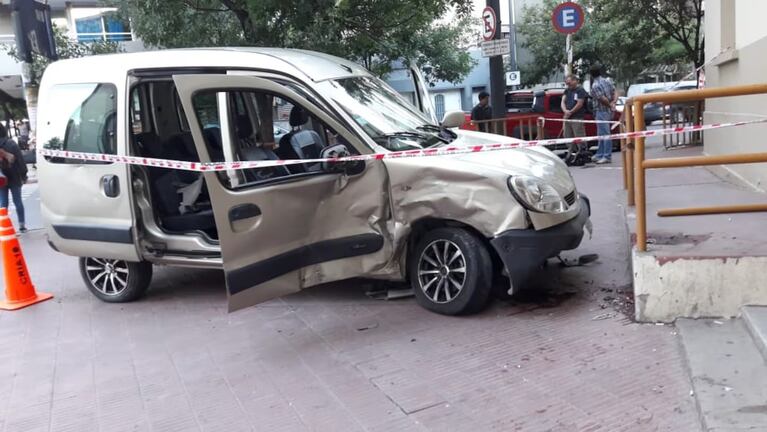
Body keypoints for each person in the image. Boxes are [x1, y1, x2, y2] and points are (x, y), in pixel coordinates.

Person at [0, 124, 28, 233]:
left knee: (3, 202)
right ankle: (22, 225)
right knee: (18, 201)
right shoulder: (11, 143)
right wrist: (24, 174)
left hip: (1, 177)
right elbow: (20, 161)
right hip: (14, 175)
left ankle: (4, 225)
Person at [589, 64, 618, 164]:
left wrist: (610, 105)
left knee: (605, 134)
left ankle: (607, 156)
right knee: (601, 133)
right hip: (608, 111)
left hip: (601, 110)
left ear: (591, 75)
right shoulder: (607, 80)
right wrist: (614, 102)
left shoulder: (595, 86)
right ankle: (599, 154)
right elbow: (615, 92)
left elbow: (602, 99)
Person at [560, 74, 589, 164]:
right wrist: (565, 111)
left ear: (575, 81)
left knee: (579, 135)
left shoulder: (580, 90)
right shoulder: (567, 90)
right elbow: (563, 101)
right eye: (567, 83)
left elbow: (580, 103)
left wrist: (571, 112)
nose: (568, 85)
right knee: (567, 135)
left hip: (577, 116)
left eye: (569, 83)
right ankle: (571, 152)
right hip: (568, 117)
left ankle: (582, 153)